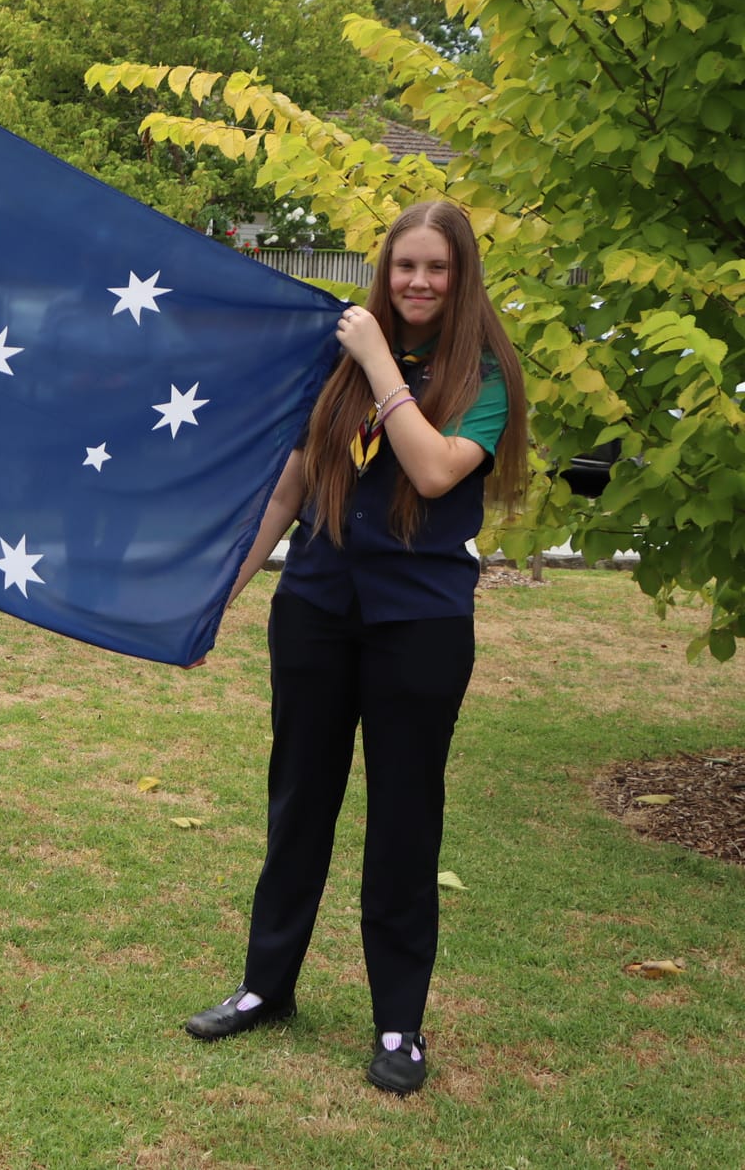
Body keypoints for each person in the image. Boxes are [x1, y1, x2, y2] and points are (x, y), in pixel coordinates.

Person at [183, 200, 527, 1096]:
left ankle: (399, 1025)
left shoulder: (482, 376)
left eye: (437, 269)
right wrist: (226, 586)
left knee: (405, 821)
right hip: (317, 608)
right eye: (405, 265)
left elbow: (432, 467)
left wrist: (378, 361)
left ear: (462, 279)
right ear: (387, 268)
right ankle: (267, 985)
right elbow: (293, 485)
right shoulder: (335, 364)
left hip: (421, 623)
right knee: (299, 800)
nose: (418, 282)